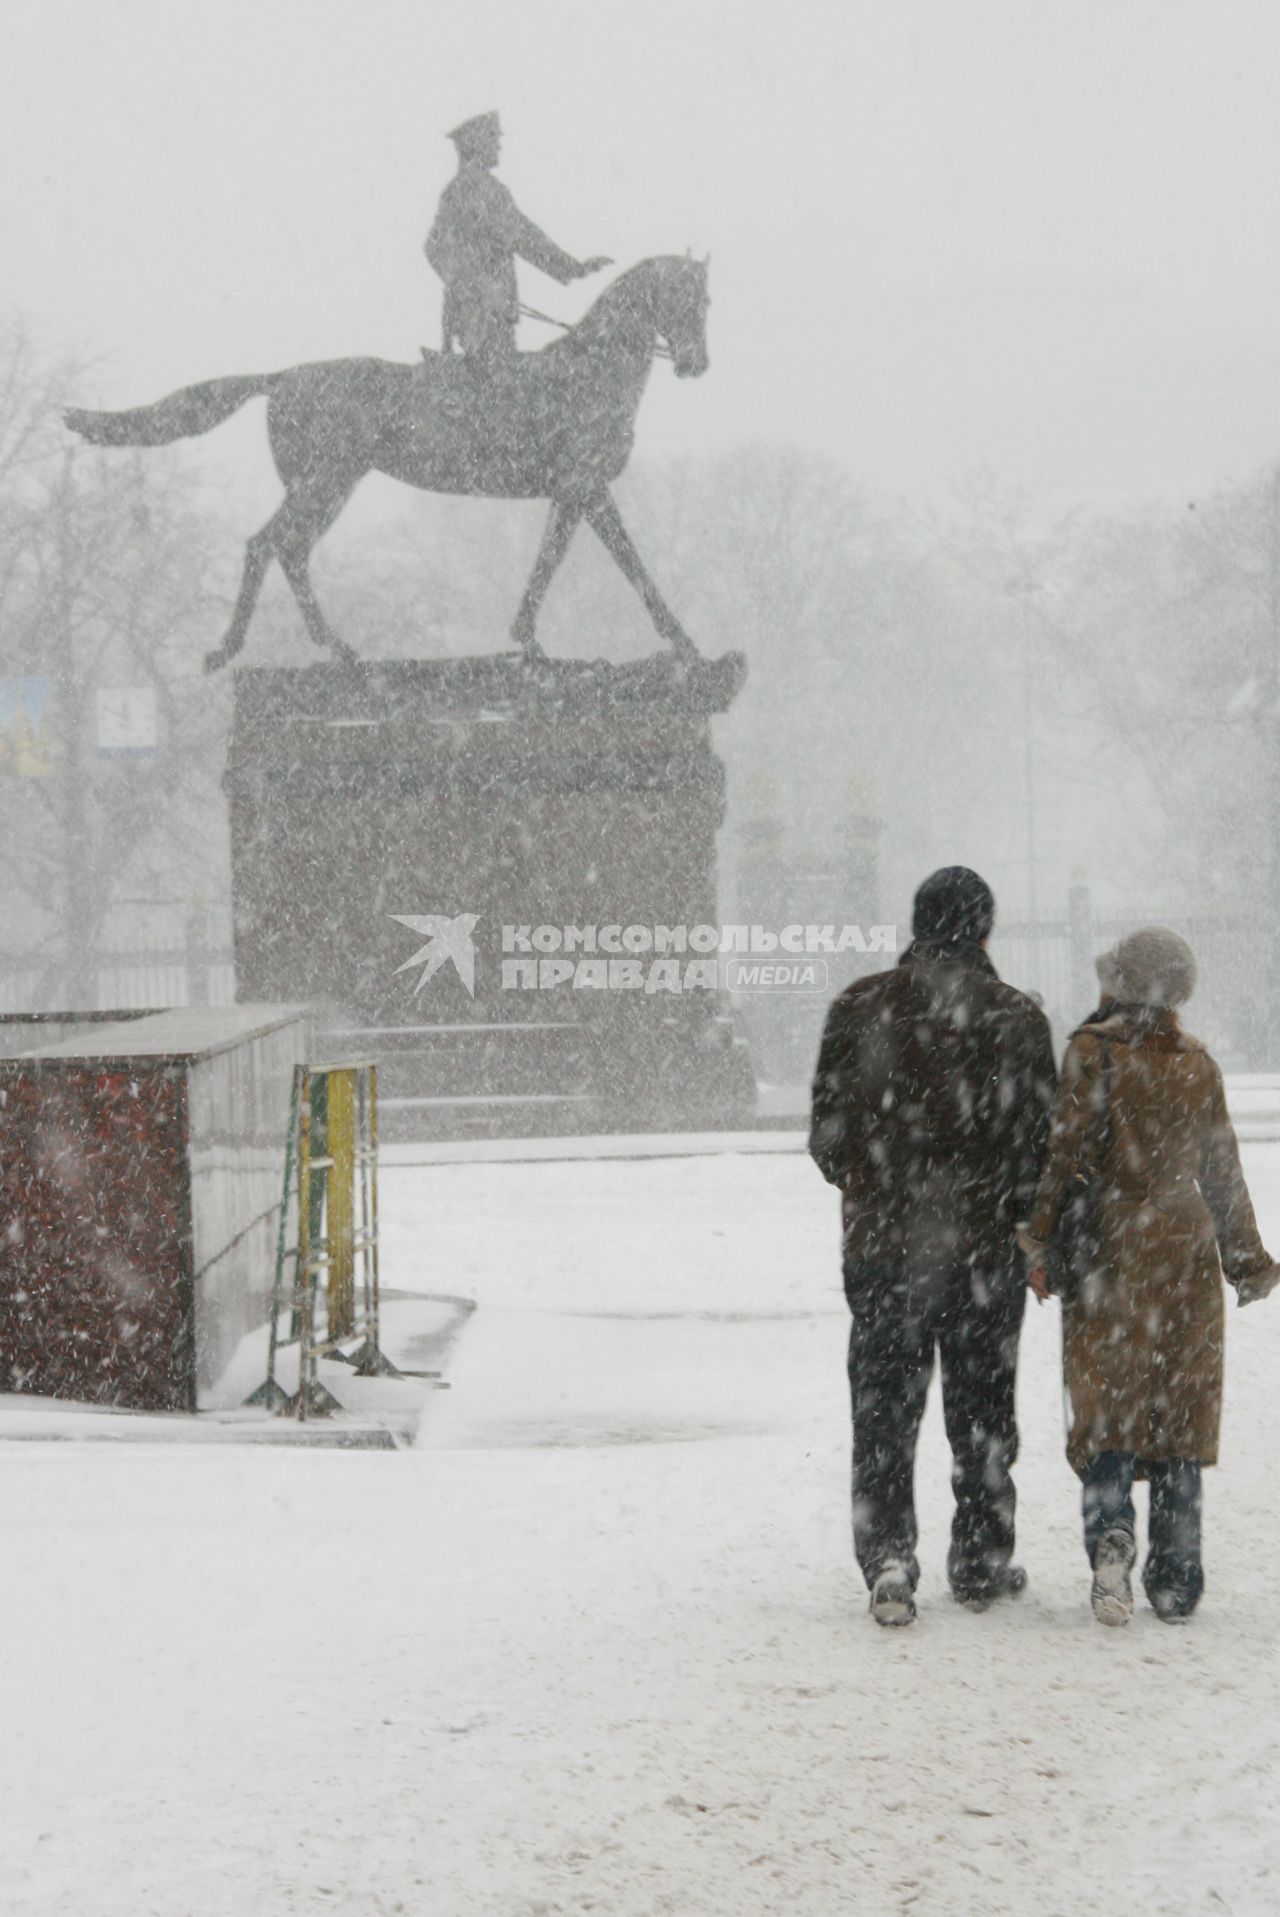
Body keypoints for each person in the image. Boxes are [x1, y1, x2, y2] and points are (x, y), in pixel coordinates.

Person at [810, 866, 1057, 1626]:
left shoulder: (860, 1007)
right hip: (986, 1250)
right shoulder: (1018, 1018)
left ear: (917, 924)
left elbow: (826, 1139)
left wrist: (881, 1188)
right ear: (984, 929)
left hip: (886, 1249)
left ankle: (887, 1553)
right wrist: (1012, 1216)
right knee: (981, 1408)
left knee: (885, 1407)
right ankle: (981, 1559)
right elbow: (1040, 1146)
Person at [1020, 927, 1280, 1626]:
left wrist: (1038, 1240)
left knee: (1108, 1403)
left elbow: (1062, 1154)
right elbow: (1222, 1169)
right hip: (1184, 1246)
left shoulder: (1092, 1053)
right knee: (1178, 1409)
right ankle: (1177, 1573)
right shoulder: (1198, 1062)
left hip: (1110, 1245)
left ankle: (1111, 1532)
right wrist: (1248, 1259)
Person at [424, 112, 612, 366]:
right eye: (492, 138)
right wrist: (477, 286)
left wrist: (463, 284)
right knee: (498, 388)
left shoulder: (457, 189)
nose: (498, 145)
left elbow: (435, 247)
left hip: (479, 311)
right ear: (475, 143)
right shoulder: (483, 189)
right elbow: (524, 237)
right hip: (484, 316)